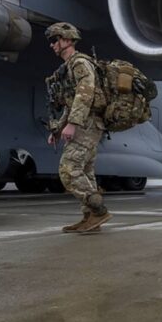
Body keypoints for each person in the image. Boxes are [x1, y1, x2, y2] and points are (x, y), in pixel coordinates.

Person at [45, 22, 111, 233]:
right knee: (85, 171)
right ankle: (90, 218)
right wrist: (58, 128)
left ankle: (99, 211)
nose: (52, 45)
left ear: (67, 40)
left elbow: (86, 94)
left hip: (87, 124)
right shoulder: (69, 66)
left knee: (68, 170)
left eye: (55, 40)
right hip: (86, 123)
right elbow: (70, 102)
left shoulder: (80, 63)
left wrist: (73, 124)